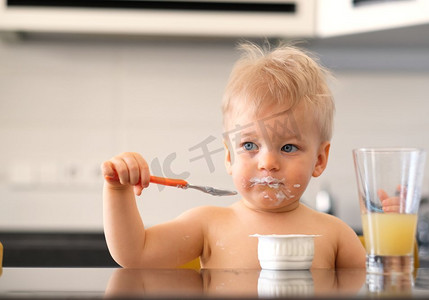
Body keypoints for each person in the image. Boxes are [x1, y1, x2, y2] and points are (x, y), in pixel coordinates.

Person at [101, 41, 366, 269]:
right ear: (229, 156)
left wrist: (388, 221)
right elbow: (135, 254)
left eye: (288, 148)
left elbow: (377, 285)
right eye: (250, 145)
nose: (268, 163)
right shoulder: (208, 225)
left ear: (319, 160)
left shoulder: (336, 235)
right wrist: (117, 191)